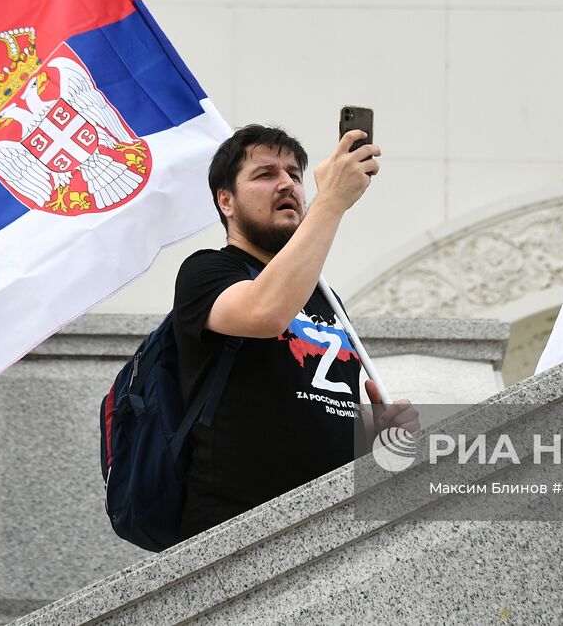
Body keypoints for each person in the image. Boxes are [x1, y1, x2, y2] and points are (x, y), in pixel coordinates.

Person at [172, 124, 418, 539]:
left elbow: (316, 407)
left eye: (294, 175)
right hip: (237, 532)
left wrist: (374, 434)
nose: (286, 183)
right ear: (226, 201)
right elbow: (266, 313)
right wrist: (333, 201)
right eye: (265, 174)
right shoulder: (207, 272)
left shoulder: (325, 296)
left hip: (334, 530)